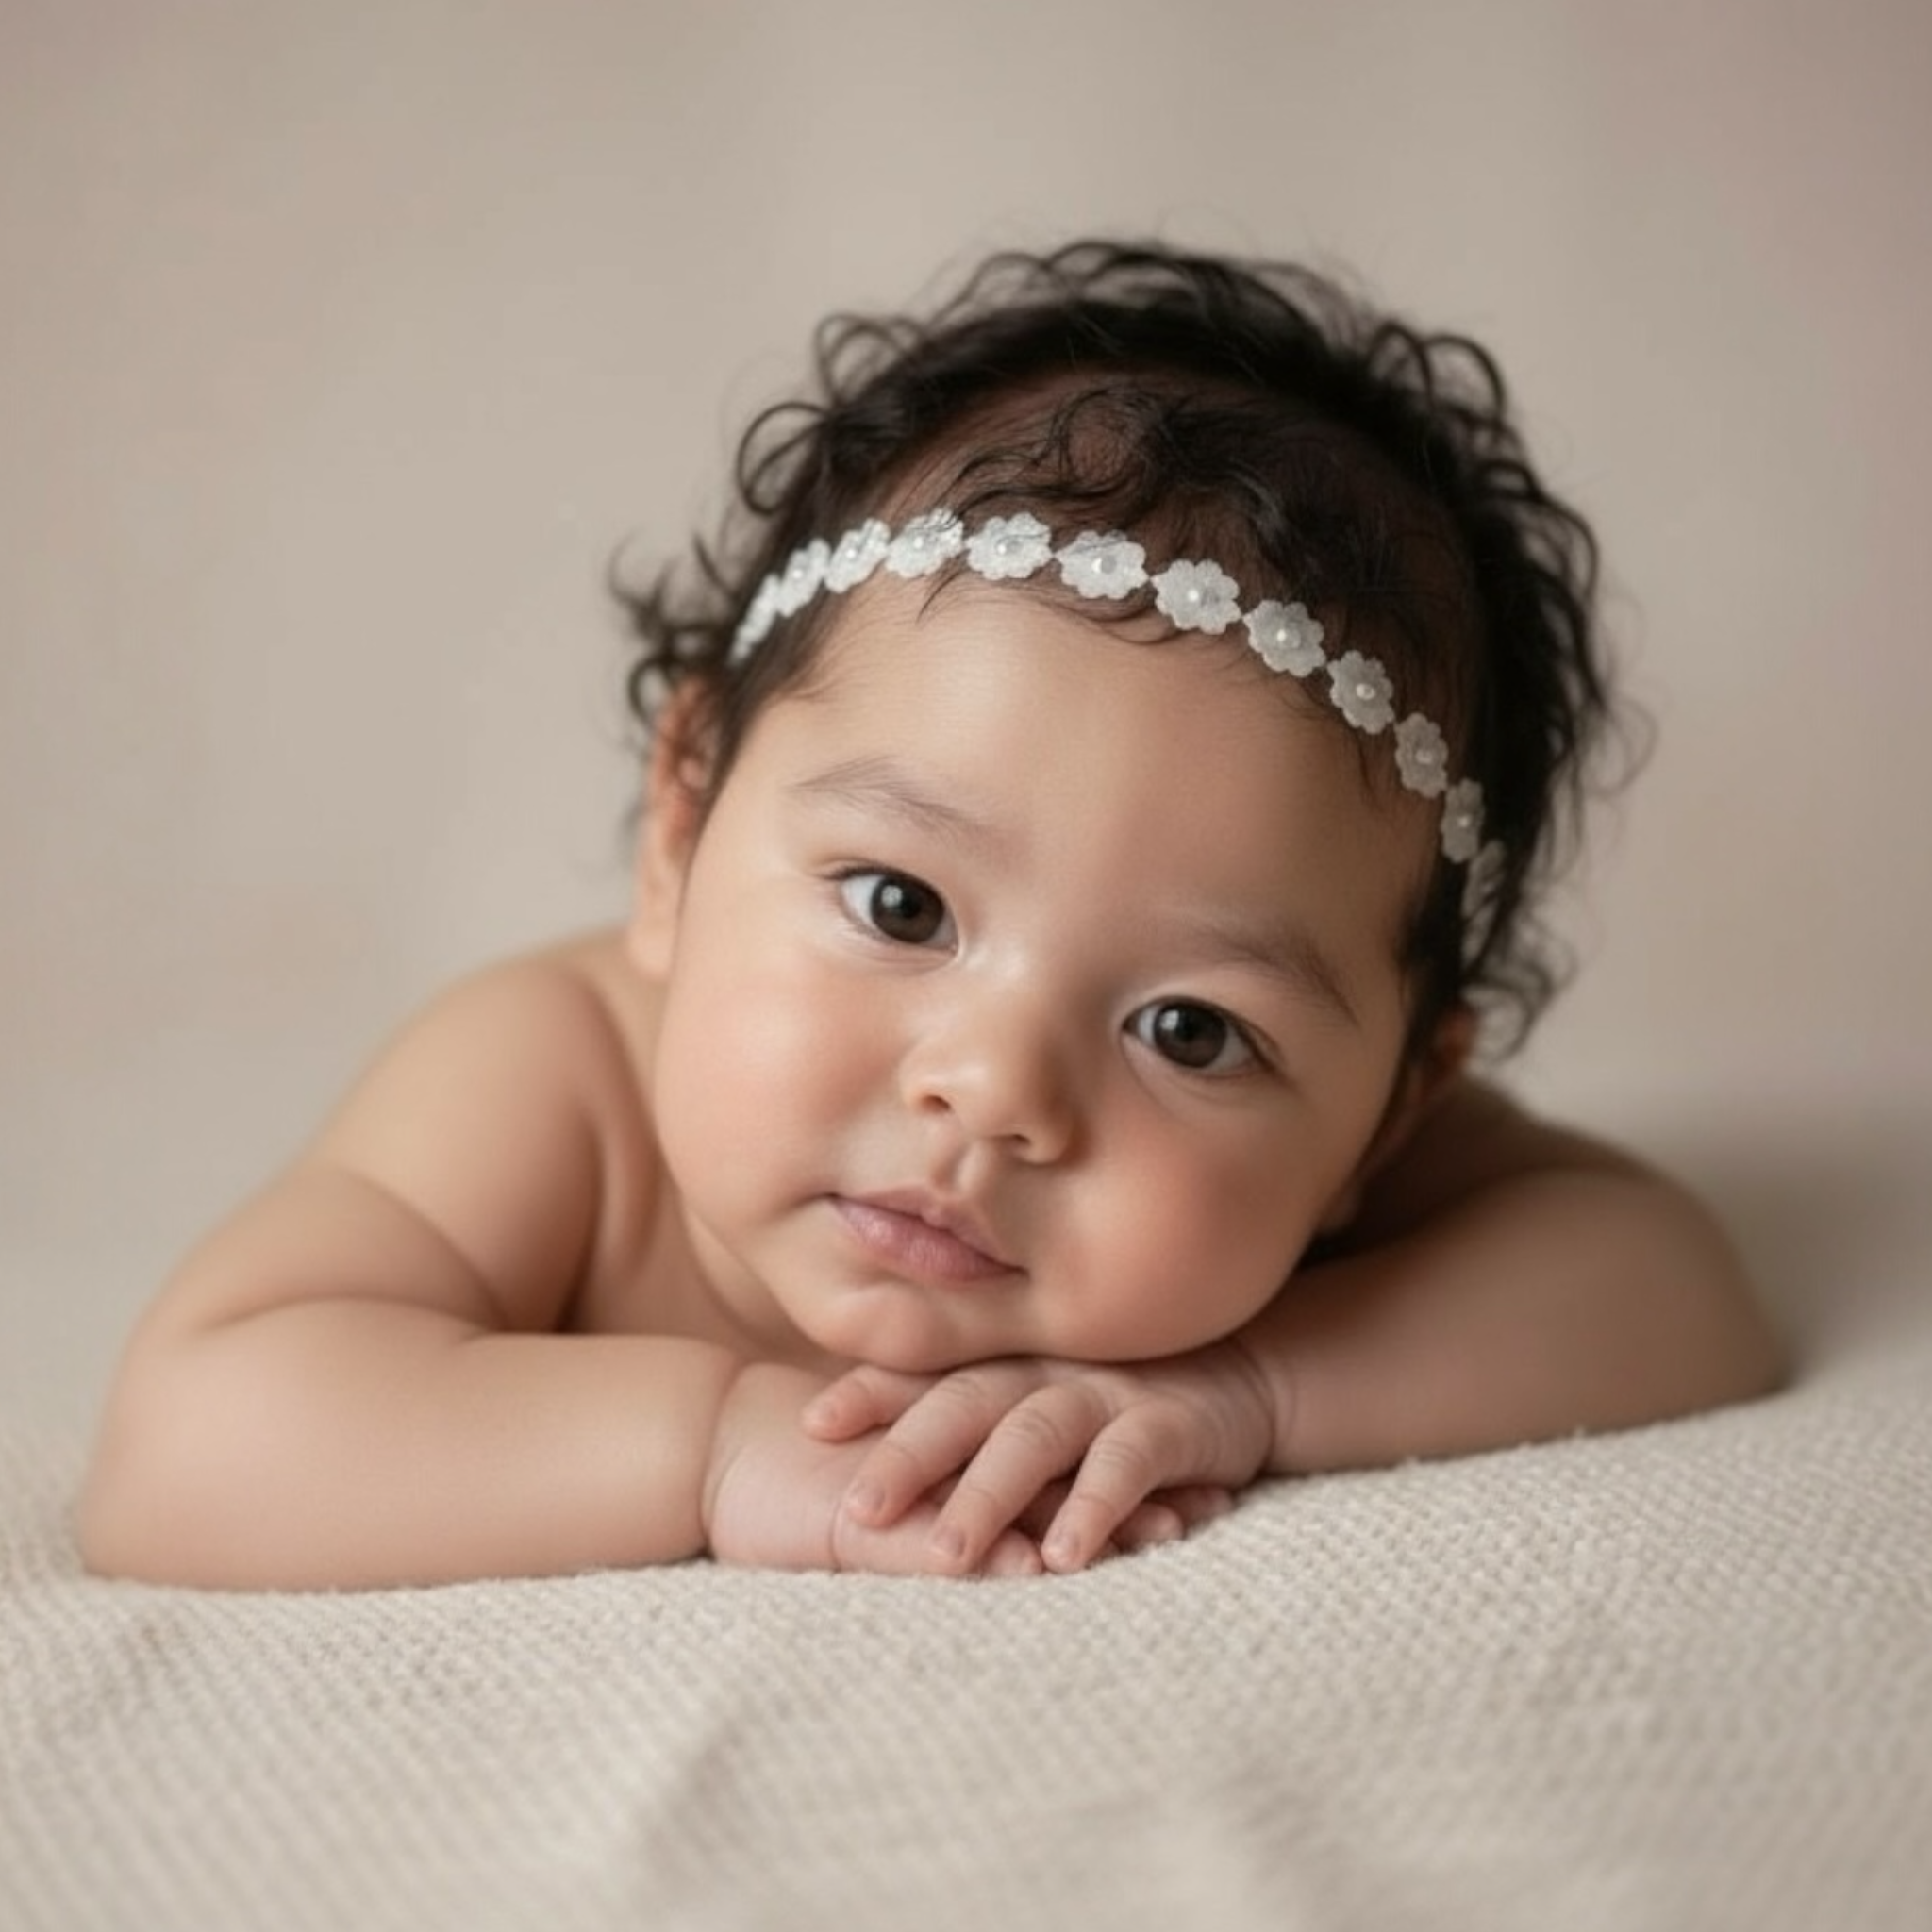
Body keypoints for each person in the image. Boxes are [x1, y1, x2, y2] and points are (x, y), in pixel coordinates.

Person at [76, 240, 1783, 1590]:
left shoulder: (1311, 1168)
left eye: (1190, 1029)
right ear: (681, 831)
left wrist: (1248, 1392)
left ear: (1384, 1118)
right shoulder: (554, 1076)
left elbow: (1675, 1287)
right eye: (901, 904)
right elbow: (189, 1446)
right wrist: (715, 1445)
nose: (995, 1089)